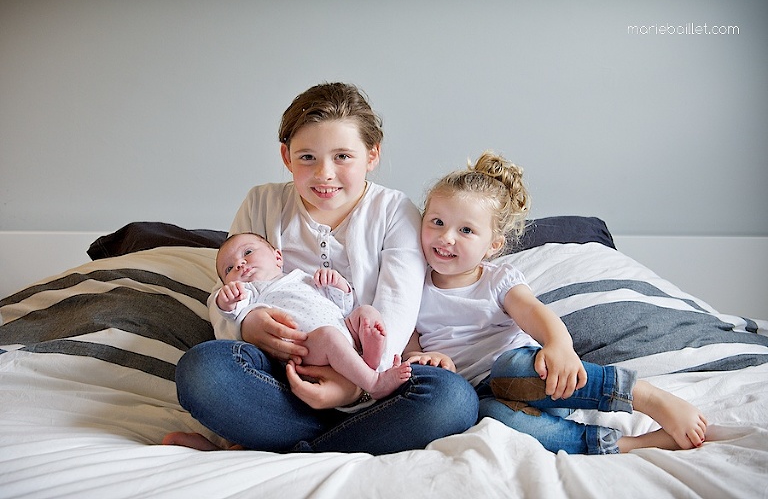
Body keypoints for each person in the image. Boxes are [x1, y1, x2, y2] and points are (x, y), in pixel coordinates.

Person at [163, 82, 478, 454]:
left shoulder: (395, 211)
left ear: (372, 155)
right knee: (203, 370)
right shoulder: (262, 202)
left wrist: (351, 385)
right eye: (307, 157)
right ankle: (318, 441)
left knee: (453, 399)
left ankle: (270, 445)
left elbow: (397, 307)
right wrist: (246, 324)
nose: (325, 173)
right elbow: (229, 284)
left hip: (372, 386)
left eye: (342, 156)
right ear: (286, 157)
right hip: (280, 380)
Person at [404, 151, 708, 454]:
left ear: (493, 245)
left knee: (509, 368)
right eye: (437, 222)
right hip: (486, 397)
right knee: (490, 418)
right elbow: (408, 339)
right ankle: (621, 444)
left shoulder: (497, 280)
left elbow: (534, 312)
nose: (446, 237)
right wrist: (422, 357)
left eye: (466, 230)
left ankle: (643, 395)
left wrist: (559, 345)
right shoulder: (411, 285)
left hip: (543, 384)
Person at [214, 231, 411, 400]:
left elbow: (343, 306)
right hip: (308, 346)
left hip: (343, 327)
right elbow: (232, 313)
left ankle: (370, 360)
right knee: (329, 336)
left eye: (248, 252)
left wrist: (338, 284)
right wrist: (227, 300)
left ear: (278, 257)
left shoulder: (301, 277)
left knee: (365, 312)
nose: (240, 264)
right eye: (229, 269)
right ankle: (374, 383)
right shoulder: (250, 292)